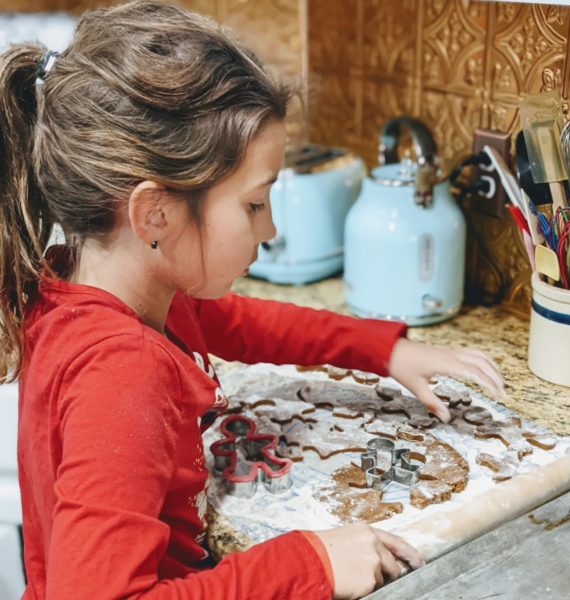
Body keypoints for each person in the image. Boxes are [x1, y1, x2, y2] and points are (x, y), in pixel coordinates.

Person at [0, 1, 504, 598]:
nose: (269, 231)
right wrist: (308, 563)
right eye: (255, 204)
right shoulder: (122, 371)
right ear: (154, 213)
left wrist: (385, 350)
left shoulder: (84, 287)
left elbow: (238, 321)